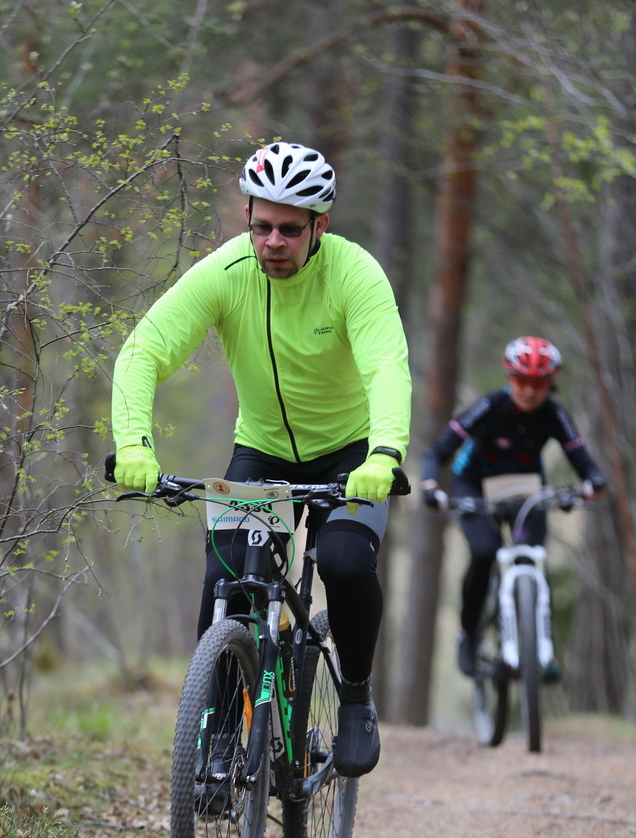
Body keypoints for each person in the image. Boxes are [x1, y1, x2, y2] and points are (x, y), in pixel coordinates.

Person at [111, 140, 412, 776]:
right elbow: (143, 352)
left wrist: (384, 453)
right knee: (224, 581)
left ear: (320, 226)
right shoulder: (226, 273)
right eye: (261, 226)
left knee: (344, 561)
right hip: (263, 455)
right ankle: (219, 740)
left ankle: (354, 694)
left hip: (352, 456)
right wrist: (134, 443)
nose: (272, 241)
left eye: (289, 229)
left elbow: (387, 366)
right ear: (248, 217)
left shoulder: (356, 275)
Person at [420, 336, 607, 677]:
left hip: (526, 491)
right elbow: (438, 452)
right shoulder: (489, 406)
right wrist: (432, 485)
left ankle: (541, 650)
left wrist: (594, 482)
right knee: (484, 552)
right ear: (509, 378)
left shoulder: (554, 414)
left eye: (538, 383)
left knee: (533, 555)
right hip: (474, 485)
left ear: (550, 384)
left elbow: (581, 458)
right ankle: (470, 633)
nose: (529, 391)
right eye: (522, 381)